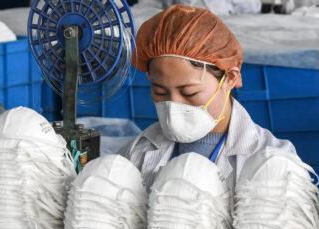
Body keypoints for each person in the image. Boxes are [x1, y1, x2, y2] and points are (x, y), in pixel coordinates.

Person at [122, 4, 295, 191]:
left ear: (230, 78)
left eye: (190, 93)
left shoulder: (272, 161)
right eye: (160, 92)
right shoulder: (137, 152)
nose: (173, 106)